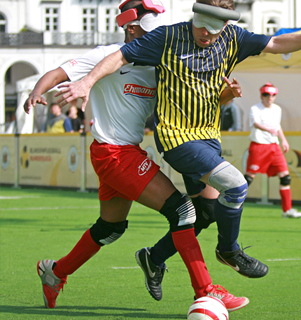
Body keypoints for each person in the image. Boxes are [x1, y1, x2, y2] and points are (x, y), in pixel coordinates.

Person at [54, 0, 301, 286]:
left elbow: (276, 43)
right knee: (237, 185)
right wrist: (88, 81)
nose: (204, 32)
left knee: (205, 214)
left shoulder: (234, 39)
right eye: (200, 23)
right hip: (176, 138)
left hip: (208, 137)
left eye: (213, 28)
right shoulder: (168, 37)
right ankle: (228, 252)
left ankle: (153, 258)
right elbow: (120, 56)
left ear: (226, 25)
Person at [24, 0, 247, 312]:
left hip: (120, 153)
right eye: (150, 28)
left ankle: (55, 272)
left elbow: (191, 106)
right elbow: (57, 72)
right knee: (184, 212)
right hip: (114, 153)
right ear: (131, 28)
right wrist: (37, 91)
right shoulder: (105, 55)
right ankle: (207, 290)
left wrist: (224, 97)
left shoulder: (161, 61)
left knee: (110, 228)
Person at [245, 83, 301, 218]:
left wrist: (284, 140)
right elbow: (255, 123)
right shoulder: (255, 108)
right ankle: (229, 205)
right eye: (266, 94)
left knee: (286, 177)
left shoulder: (277, 109)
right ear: (261, 95)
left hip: (274, 146)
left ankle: (286, 210)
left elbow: (278, 126)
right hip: (259, 145)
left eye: (272, 95)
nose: (269, 97)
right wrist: (268, 129)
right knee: (248, 178)